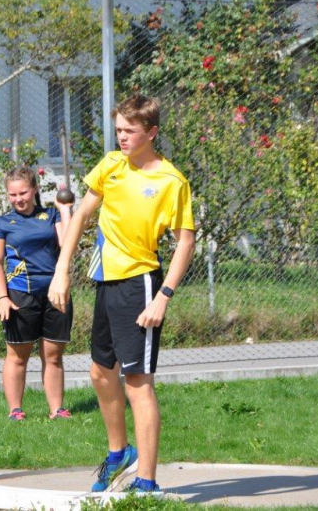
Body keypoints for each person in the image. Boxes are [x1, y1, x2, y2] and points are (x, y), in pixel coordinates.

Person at [48, 95, 196, 493]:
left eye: (130, 131)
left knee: (137, 381)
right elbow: (82, 214)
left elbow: (185, 242)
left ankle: (147, 481)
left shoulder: (171, 181)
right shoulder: (112, 164)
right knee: (100, 372)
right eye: (118, 130)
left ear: (152, 132)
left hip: (140, 283)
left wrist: (163, 296)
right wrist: (62, 271)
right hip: (106, 281)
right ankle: (120, 453)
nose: (122, 137)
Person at [0, 166, 73, 421]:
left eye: (23, 193)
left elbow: (68, 244)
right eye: (13, 195)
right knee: (17, 355)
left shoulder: (51, 215)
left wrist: (65, 210)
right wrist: (2, 298)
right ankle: (15, 410)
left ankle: (57, 410)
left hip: (56, 293)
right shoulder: (1, 223)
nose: (18, 199)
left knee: (53, 356)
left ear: (34, 189)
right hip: (19, 296)